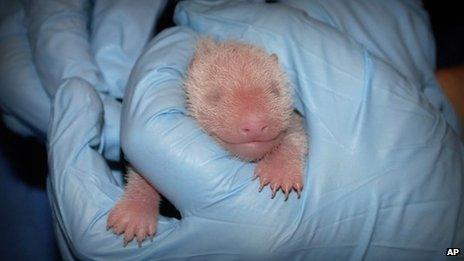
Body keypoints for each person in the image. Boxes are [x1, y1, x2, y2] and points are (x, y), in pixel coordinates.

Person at [2, 0, 463, 259]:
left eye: (272, 94)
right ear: (188, 90)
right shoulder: (180, 99)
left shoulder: (295, 96)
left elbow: (297, 132)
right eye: (218, 99)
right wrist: (140, 199)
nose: (255, 118)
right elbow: (147, 165)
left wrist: (452, 248)